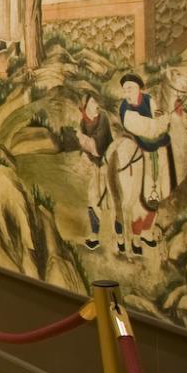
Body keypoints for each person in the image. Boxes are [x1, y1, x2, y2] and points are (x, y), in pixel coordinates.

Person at [117, 73, 175, 253]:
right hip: (138, 144)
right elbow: (147, 128)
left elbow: (157, 119)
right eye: (125, 89)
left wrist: (162, 119)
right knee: (143, 192)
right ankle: (135, 234)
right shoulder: (125, 109)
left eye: (130, 88)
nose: (127, 92)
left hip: (156, 143)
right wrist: (160, 123)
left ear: (139, 88)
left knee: (159, 187)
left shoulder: (149, 100)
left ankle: (147, 231)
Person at [76, 92, 126, 256]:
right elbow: (86, 147)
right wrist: (84, 145)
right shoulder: (83, 122)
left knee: (112, 199)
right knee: (93, 198)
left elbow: (98, 146)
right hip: (95, 166)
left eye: (96, 102)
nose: (96, 105)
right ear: (85, 106)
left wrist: (82, 139)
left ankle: (120, 238)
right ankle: (95, 235)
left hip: (108, 163)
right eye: (92, 102)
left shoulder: (103, 118)